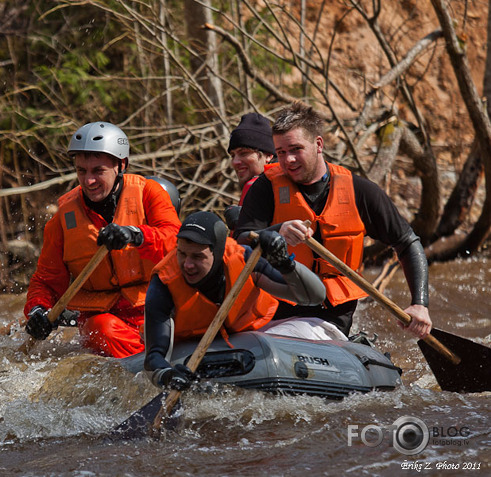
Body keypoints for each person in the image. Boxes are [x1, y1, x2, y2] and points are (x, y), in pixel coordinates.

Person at [234, 101, 433, 340]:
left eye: (296, 149)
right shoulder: (266, 187)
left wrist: (419, 304)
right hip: (275, 308)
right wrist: (276, 232)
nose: (288, 160)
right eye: (281, 152)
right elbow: (240, 243)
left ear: (318, 144)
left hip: (331, 316)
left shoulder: (360, 191)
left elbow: (407, 242)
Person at [23, 122, 181, 358]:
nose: (88, 181)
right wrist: (37, 309)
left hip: (154, 307)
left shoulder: (149, 192)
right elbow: (46, 281)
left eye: (98, 171)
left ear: (121, 165)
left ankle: (157, 354)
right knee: (101, 329)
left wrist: (135, 235)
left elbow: (176, 242)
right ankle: (147, 361)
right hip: (103, 320)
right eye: (82, 171)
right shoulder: (62, 220)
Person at [143, 211, 327, 390]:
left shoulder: (244, 258)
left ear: (217, 252)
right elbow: (155, 356)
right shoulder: (164, 282)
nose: (187, 264)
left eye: (197, 256)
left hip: (250, 337)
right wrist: (167, 376)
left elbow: (313, 297)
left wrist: (285, 264)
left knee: (315, 326)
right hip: (190, 348)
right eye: (182, 254)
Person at [224, 112, 276, 231]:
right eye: (232, 155)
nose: (235, 162)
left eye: (244, 153)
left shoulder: (255, 185)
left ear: (268, 155)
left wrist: (243, 224)